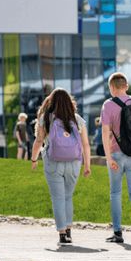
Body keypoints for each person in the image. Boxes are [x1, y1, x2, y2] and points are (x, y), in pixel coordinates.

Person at [29, 88, 92, 246]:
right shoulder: (77, 119)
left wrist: (34, 159)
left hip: (53, 162)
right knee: (67, 196)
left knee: (58, 198)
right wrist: (87, 165)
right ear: (69, 102)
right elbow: (85, 144)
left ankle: (62, 233)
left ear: (52, 101)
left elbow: (39, 141)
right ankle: (69, 230)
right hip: (74, 162)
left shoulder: (46, 118)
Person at [100, 72, 131, 245]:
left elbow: (105, 133)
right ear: (126, 86)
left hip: (116, 154)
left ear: (112, 87)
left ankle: (118, 233)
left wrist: (108, 158)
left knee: (115, 193)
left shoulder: (108, 105)